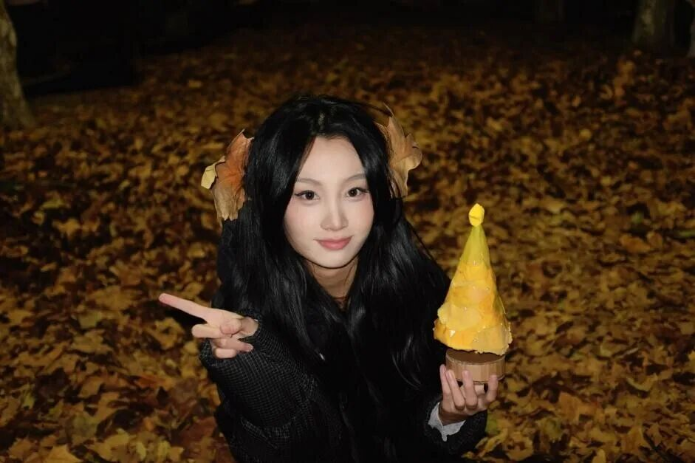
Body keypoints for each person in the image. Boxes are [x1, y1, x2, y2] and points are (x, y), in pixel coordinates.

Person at [159, 94, 499, 463]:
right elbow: (283, 452)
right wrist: (261, 371)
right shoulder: (246, 315)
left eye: (354, 191)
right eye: (308, 194)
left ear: (380, 192)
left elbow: (415, 427)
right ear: (272, 201)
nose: (335, 220)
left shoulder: (418, 286)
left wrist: (448, 416)